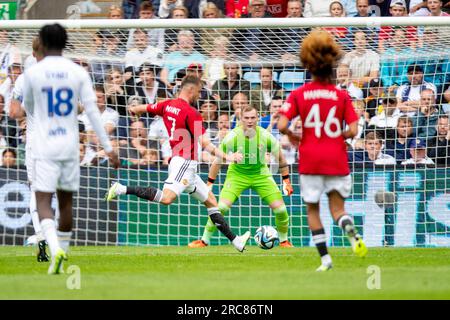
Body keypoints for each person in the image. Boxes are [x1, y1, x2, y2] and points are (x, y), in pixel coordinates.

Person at [105, 75, 251, 252]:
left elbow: (146, 107)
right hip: (184, 163)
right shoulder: (192, 113)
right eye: (198, 92)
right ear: (190, 90)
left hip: (186, 165)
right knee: (167, 199)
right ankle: (121, 188)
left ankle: (236, 241)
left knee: (212, 201)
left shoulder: (167, 105)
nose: (199, 96)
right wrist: (229, 157)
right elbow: (206, 144)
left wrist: (134, 109)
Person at [22, 24, 120, 274]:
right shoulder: (77, 72)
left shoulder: (33, 73)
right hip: (69, 145)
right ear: (65, 43)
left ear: (42, 43)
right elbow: (92, 111)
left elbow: (28, 109)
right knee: (66, 204)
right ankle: (62, 251)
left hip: (44, 145)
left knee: (42, 199)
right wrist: (108, 148)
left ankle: (54, 248)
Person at [277, 29, 367, 271]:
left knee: (313, 209)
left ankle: (326, 260)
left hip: (311, 159)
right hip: (336, 157)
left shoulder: (299, 94)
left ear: (308, 64)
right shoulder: (342, 96)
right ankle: (349, 227)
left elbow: (282, 125)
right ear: (332, 65)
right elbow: (354, 130)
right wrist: (337, 135)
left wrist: (295, 136)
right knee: (337, 209)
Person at [188, 105, 294, 248]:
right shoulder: (232, 137)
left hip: (260, 175)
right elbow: (217, 161)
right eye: (246, 118)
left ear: (258, 118)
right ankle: (204, 241)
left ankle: (284, 241)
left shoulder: (266, 137)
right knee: (221, 208)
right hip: (237, 175)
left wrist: (286, 181)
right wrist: (209, 184)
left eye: (252, 118)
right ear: (241, 119)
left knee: (281, 210)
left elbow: (281, 160)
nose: (250, 121)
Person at [9, 36, 51, 262]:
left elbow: (13, 113)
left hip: (35, 143)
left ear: (33, 54)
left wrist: (26, 113)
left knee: (37, 190)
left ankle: (41, 234)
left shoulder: (23, 80)